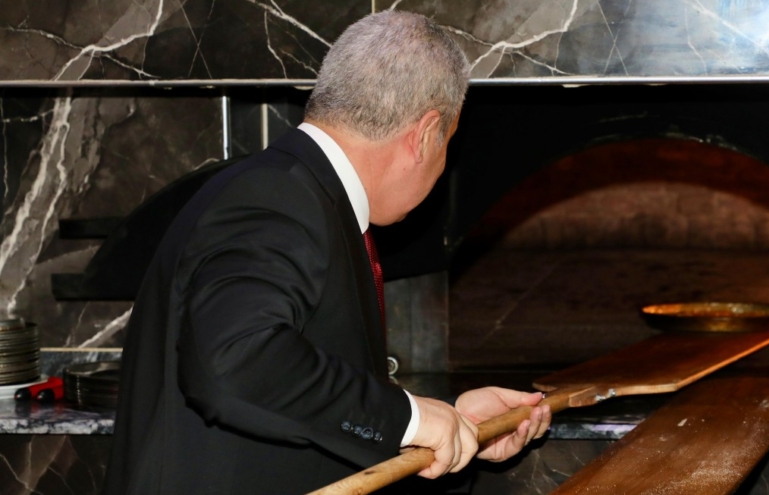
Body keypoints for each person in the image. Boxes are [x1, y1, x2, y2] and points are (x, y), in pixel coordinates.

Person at [103, 11, 551, 495]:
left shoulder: (300, 192)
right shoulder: (275, 198)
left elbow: (302, 402)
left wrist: (447, 423)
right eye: (449, 143)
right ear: (424, 134)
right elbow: (234, 362)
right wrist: (410, 418)